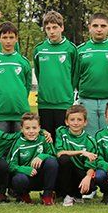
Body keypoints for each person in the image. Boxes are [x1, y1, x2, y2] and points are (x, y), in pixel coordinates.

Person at [76, 13, 108, 136]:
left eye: (103, 26)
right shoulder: (80, 50)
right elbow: (75, 76)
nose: (99, 29)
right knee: (90, 138)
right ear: (89, 27)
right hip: (87, 100)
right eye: (95, 26)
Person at [33, 10, 78, 140]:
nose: (51, 31)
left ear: (62, 28)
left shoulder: (71, 49)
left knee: (62, 140)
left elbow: (75, 74)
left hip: (64, 103)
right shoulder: (39, 49)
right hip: (45, 103)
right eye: (48, 28)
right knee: (46, 140)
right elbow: (38, 73)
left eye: (55, 27)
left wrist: (67, 92)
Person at [0, 22, 32, 133]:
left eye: (11, 37)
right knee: (0, 143)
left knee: (20, 142)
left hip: (20, 114)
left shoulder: (23, 62)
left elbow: (27, 86)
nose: (8, 41)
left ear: (16, 39)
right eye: (5, 37)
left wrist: (19, 101)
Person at [8, 112, 59, 206]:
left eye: (34, 128)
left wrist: (41, 156)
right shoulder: (18, 143)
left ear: (39, 128)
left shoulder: (44, 139)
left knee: (52, 162)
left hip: (42, 177)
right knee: (18, 179)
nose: (31, 131)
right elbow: (11, 165)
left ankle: (47, 195)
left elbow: (53, 155)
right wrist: (25, 169)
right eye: (27, 128)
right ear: (21, 129)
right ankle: (24, 195)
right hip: (27, 178)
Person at [55, 105, 98, 207]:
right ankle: (68, 195)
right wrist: (81, 152)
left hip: (79, 172)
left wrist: (88, 177)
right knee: (64, 159)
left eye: (79, 120)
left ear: (85, 122)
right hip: (64, 172)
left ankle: (78, 195)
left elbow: (91, 165)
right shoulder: (61, 132)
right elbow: (59, 153)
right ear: (66, 122)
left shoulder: (90, 141)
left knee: (90, 184)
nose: (75, 123)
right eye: (72, 119)